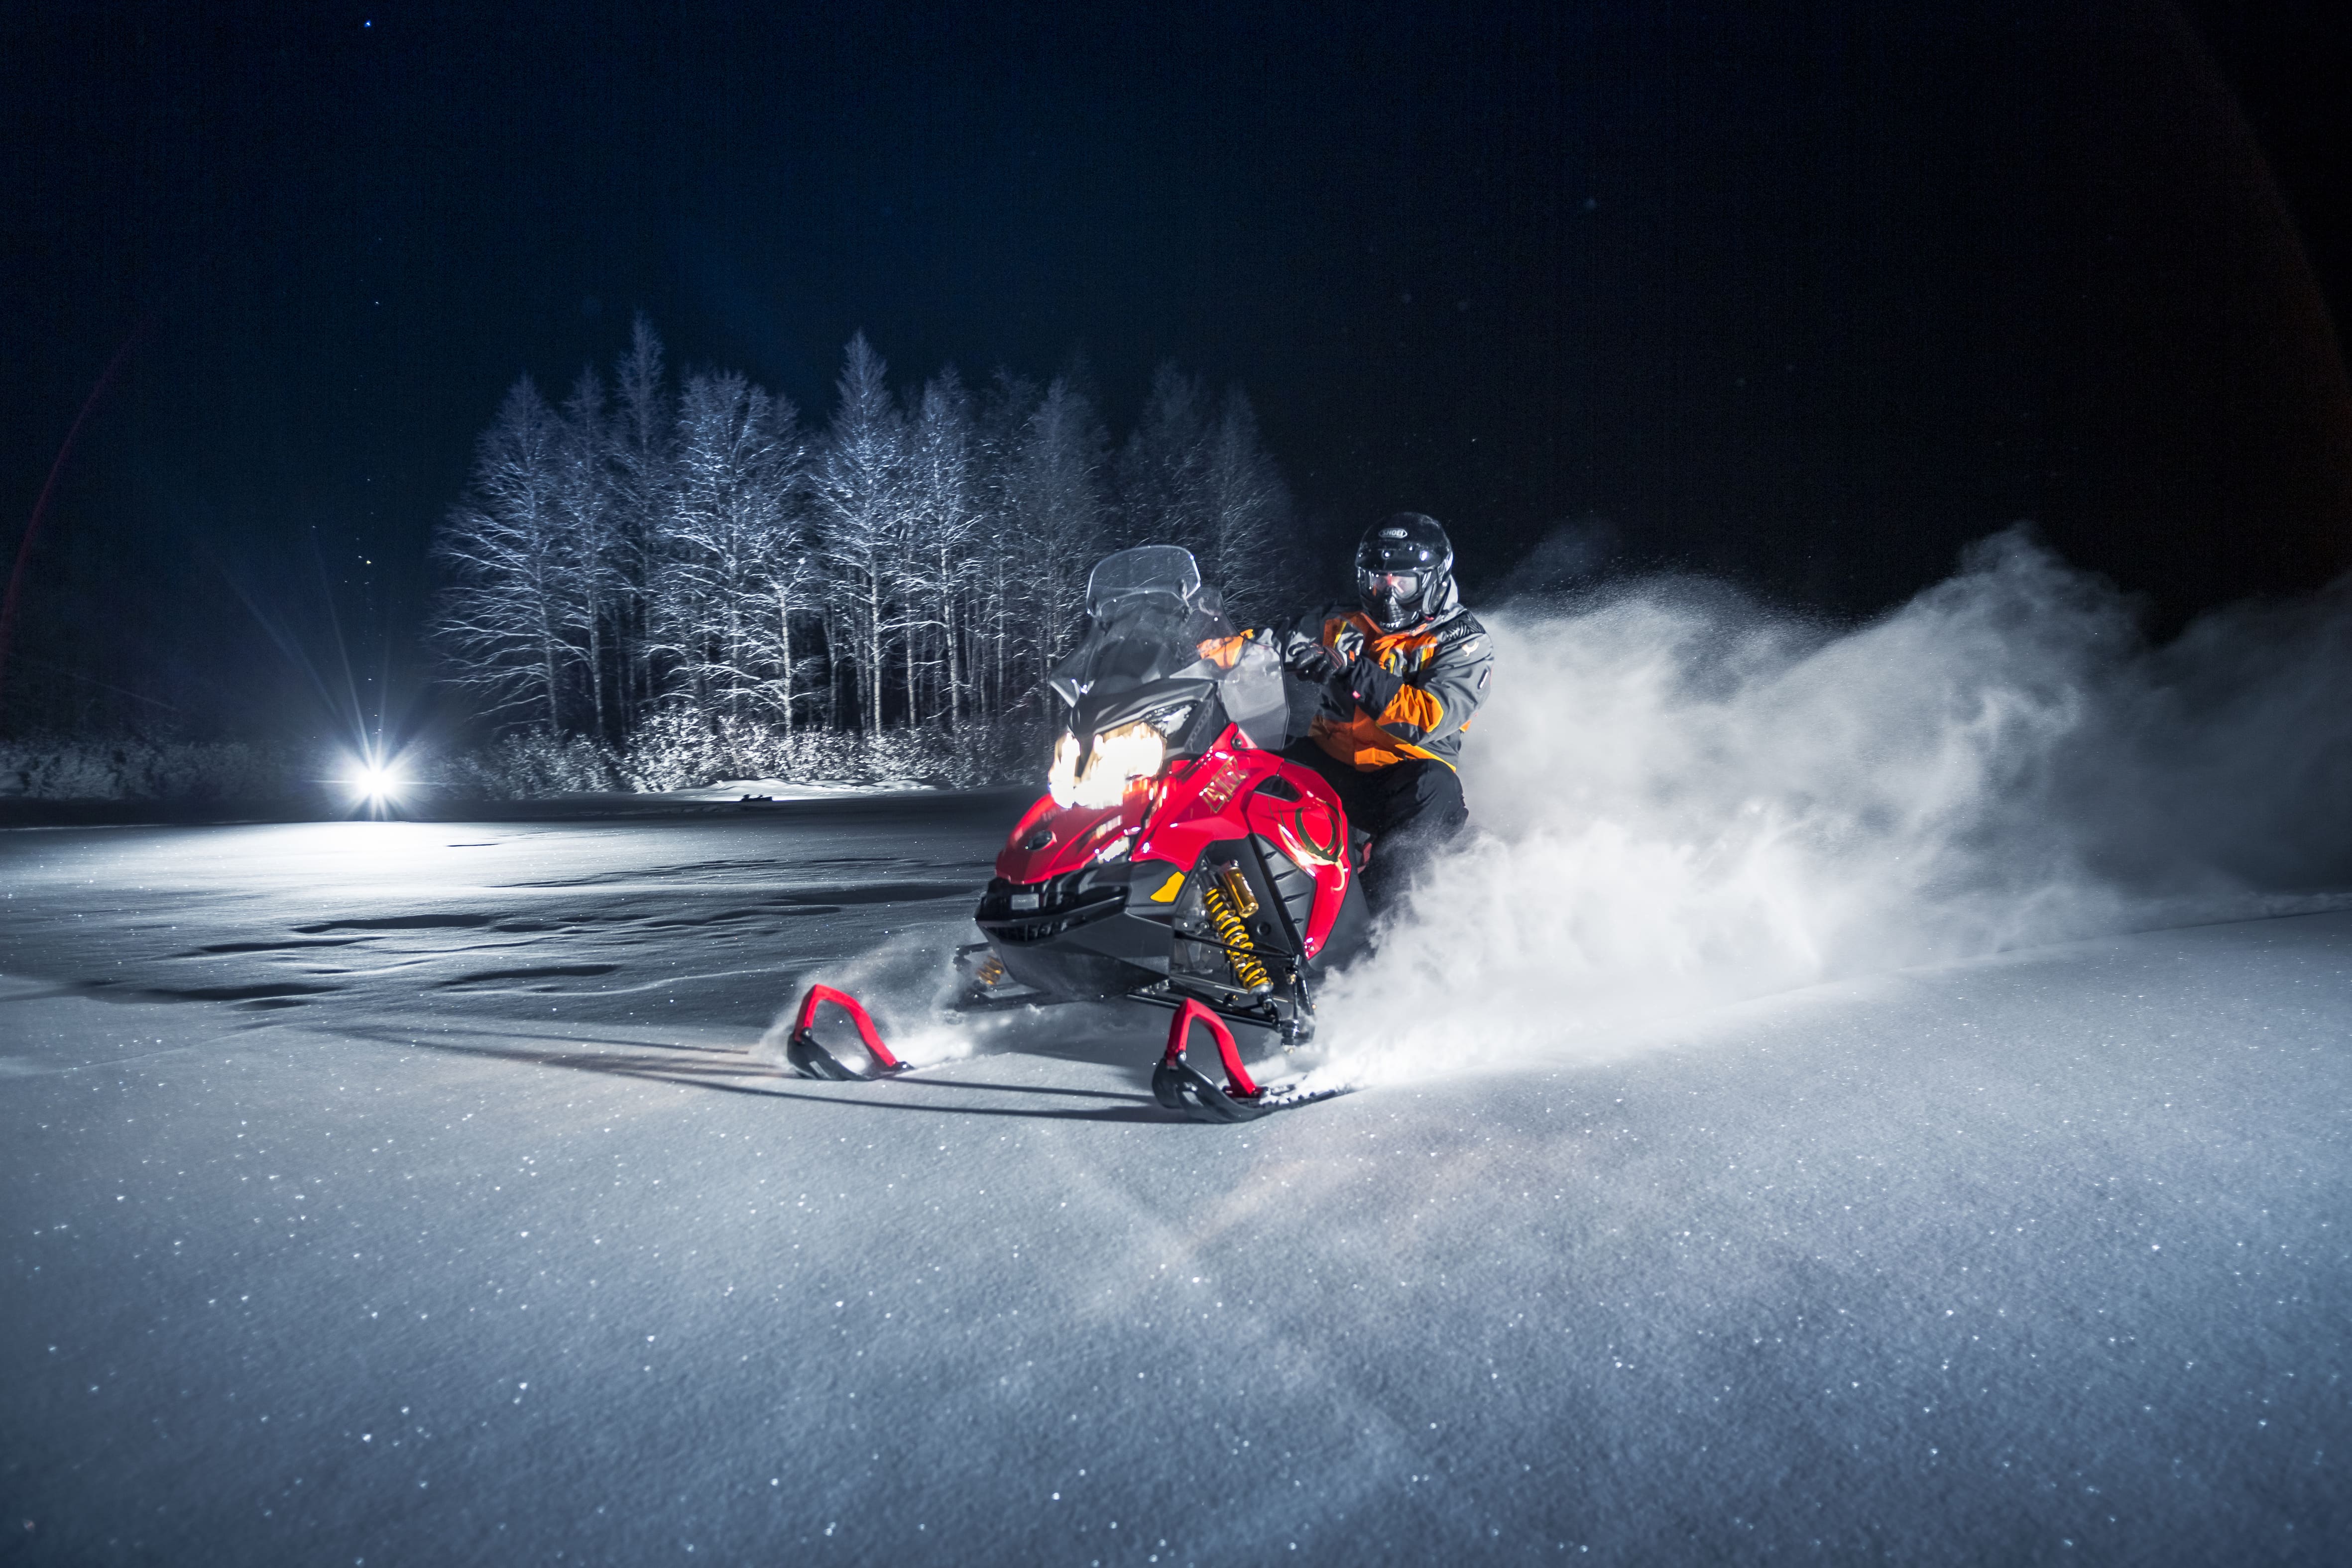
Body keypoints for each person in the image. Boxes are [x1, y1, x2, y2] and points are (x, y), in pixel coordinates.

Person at [1280, 512, 1492, 910]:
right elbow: (1263, 645)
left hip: (1403, 783)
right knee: (1248, 763)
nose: (1388, 595)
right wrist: (1198, 648)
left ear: (1432, 581)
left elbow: (1427, 716)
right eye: (1379, 581)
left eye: (1403, 582)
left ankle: (1382, 929)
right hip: (1334, 767)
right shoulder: (1339, 623)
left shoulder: (1464, 643)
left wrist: (1351, 670)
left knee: (1435, 786)